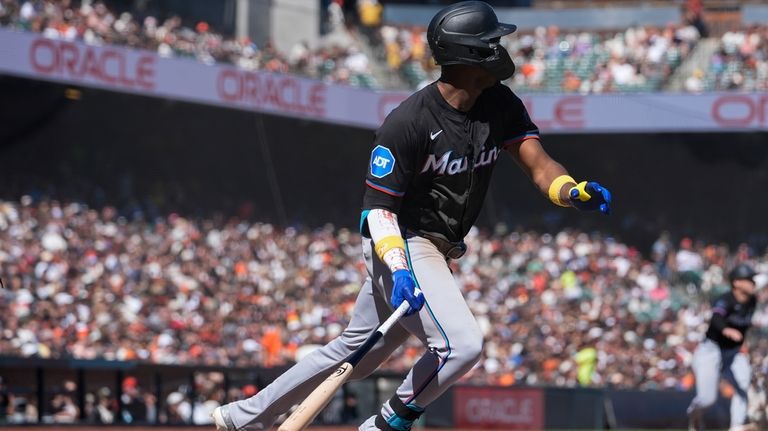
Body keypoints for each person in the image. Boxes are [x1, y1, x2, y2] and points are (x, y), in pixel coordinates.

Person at [212, 2, 612, 430]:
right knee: (462, 346)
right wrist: (398, 267)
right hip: (399, 240)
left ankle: (239, 417)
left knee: (354, 355)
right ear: (470, 55)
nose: (501, 49)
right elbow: (378, 210)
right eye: (492, 42)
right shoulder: (408, 122)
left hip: (434, 248)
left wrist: (569, 190)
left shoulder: (499, 102)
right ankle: (384, 425)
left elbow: (538, 164)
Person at [687, 264, 759, 431]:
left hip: (733, 352)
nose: (753, 283)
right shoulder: (725, 299)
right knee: (707, 399)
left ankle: (737, 426)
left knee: (743, 385)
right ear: (737, 283)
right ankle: (694, 414)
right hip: (711, 350)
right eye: (749, 280)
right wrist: (726, 329)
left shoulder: (752, 301)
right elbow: (716, 317)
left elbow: (743, 328)